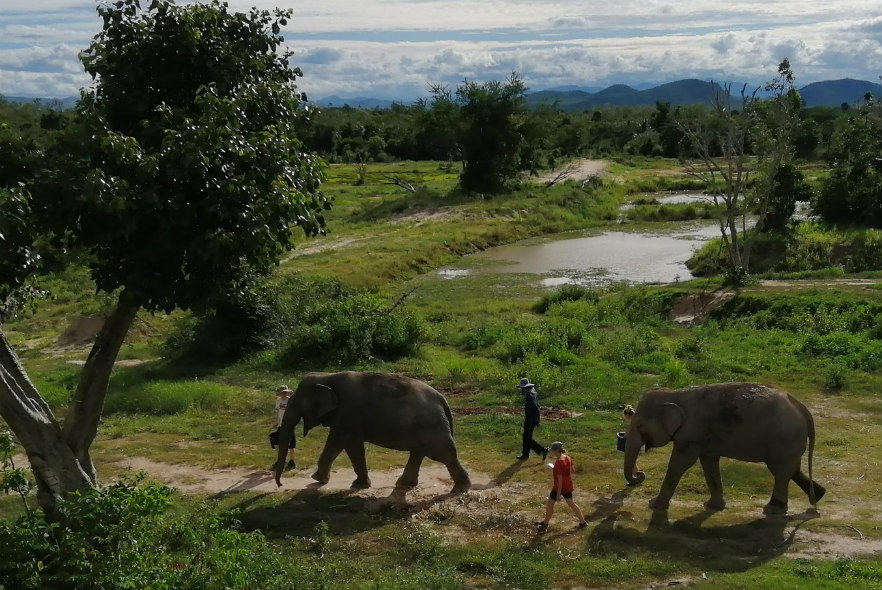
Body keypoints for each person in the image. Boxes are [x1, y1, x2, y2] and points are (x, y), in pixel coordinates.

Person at [535, 441, 587, 532]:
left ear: (556, 451)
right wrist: (556, 469)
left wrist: (558, 494)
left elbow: (559, 480)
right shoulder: (568, 458)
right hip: (568, 485)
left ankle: (545, 524)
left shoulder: (559, 463)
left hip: (559, 487)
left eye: (553, 451)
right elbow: (572, 471)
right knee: (572, 504)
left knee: (550, 504)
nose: (552, 453)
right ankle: (583, 522)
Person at [516, 377, 547, 461]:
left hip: (530, 420)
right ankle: (525, 455)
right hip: (532, 419)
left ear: (525, 388)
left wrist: (538, 420)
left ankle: (542, 450)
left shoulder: (529, 396)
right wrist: (537, 419)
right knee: (526, 437)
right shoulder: (533, 394)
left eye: (522, 388)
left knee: (527, 438)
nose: (521, 390)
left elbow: (536, 408)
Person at [272, 385, 296, 471]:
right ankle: (282, 460)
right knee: (275, 442)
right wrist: (276, 422)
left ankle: (292, 461)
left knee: (291, 445)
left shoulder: (290, 400)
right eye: (282, 392)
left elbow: (294, 412)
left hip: (289, 425)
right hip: (280, 425)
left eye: (285, 392)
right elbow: (278, 412)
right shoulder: (278, 400)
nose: (284, 393)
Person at [622, 404, 639, 477]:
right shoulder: (636, 420)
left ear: (627, 415)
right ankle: (636, 475)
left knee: (631, 460)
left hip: (634, 443)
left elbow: (628, 433)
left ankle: (635, 476)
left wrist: (623, 437)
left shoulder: (633, 423)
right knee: (632, 460)